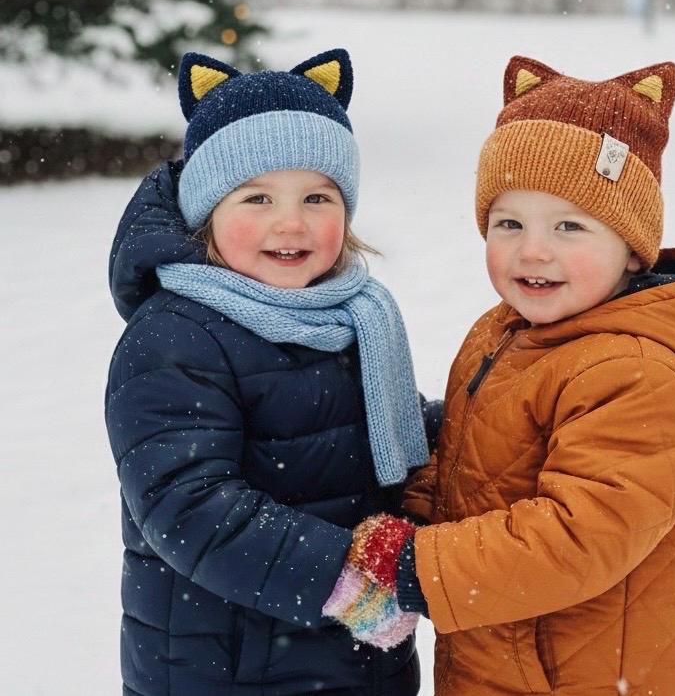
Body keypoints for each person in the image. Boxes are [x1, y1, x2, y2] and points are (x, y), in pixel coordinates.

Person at [323, 56, 675, 695]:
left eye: (570, 226)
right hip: (509, 657)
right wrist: (408, 488)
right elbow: (486, 463)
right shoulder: (509, 331)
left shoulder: (640, 377)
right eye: (509, 224)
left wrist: (413, 565)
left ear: (634, 248)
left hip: (592, 675)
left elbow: (576, 538)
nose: (534, 250)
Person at [105, 49, 441, 696]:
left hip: (357, 660)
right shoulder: (175, 335)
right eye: (257, 197)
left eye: (317, 196)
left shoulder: (351, 315)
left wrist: (476, 424)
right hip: (226, 666)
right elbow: (188, 504)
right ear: (207, 211)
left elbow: (372, 432)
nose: (291, 222)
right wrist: (343, 580)